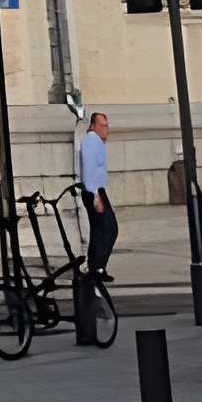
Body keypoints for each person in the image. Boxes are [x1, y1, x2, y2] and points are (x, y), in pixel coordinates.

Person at [80, 110, 118, 281]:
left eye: (107, 126)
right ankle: (97, 266)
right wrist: (95, 195)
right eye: (102, 126)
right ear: (93, 125)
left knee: (99, 230)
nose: (105, 129)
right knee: (109, 228)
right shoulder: (90, 141)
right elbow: (89, 168)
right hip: (94, 191)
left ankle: (96, 268)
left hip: (96, 189)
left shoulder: (97, 141)